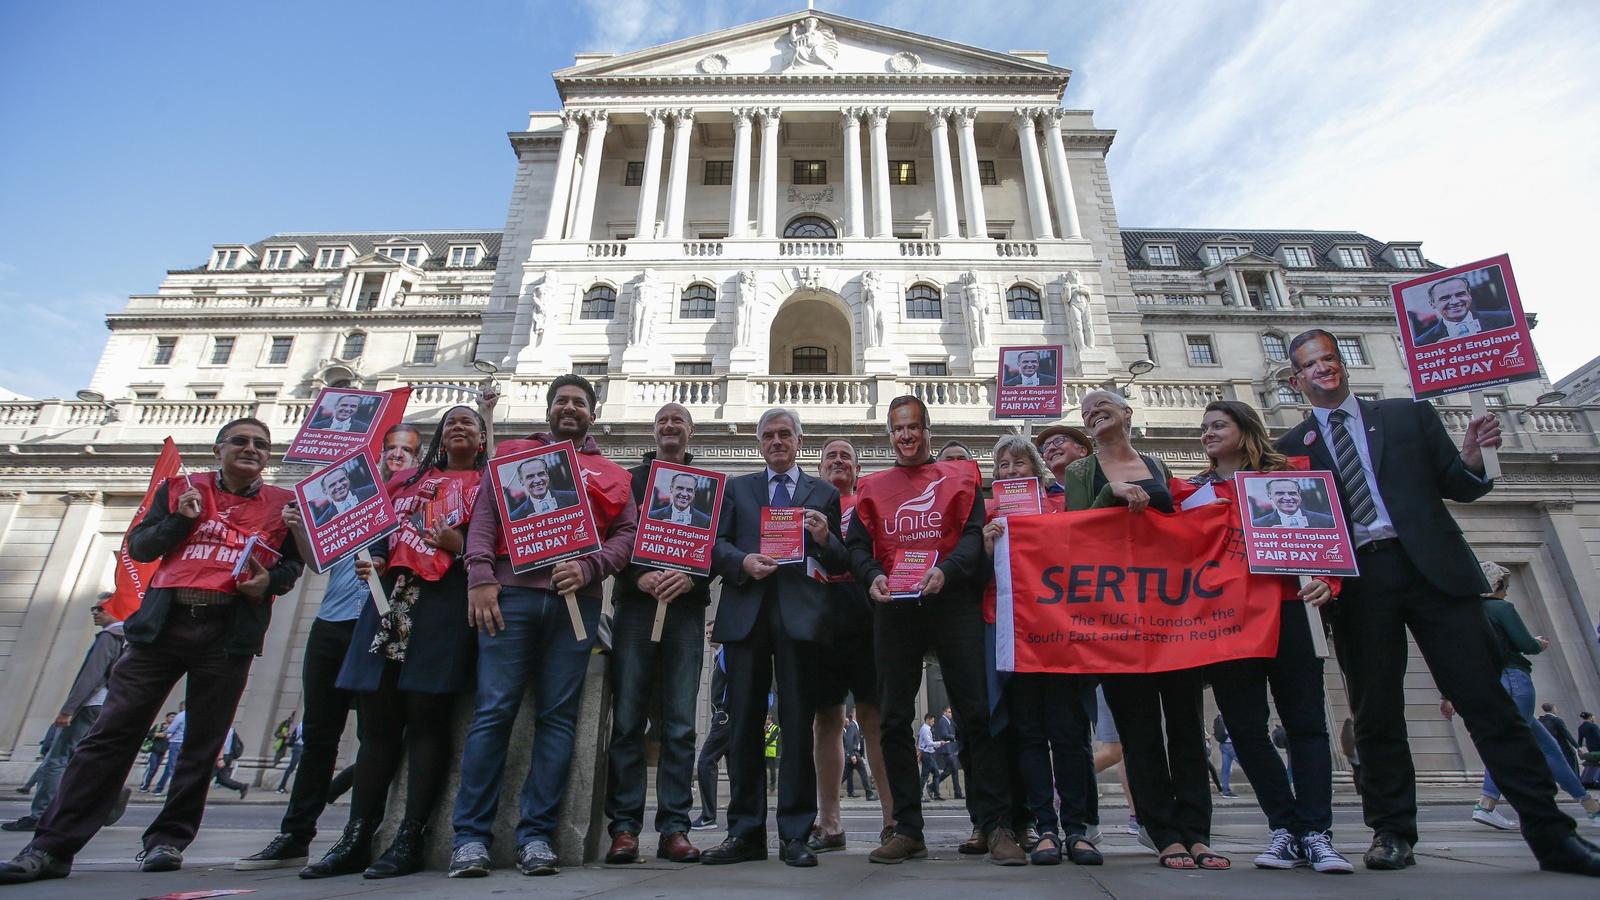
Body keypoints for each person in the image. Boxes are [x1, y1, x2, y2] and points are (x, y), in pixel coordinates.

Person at [1275, 328, 1598, 875]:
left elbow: (1460, 484)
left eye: (1330, 359)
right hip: (1359, 582)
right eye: (1311, 364)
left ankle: (1550, 832)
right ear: (1295, 378)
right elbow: (1292, 526)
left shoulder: (1407, 416)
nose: (1324, 369)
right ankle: (1391, 832)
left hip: (1433, 570)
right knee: (1376, 713)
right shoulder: (1289, 451)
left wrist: (1473, 454)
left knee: (1487, 703)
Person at [0, 417, 303, 884]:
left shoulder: (284, 506)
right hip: (162, 629)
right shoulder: (181, 489)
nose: (251, 449)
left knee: (202, 744)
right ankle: (52, 845)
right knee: (110, 735)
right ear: (218, 449)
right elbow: (141, 547)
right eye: (240, 441)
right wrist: (180, 518)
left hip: (227, 633)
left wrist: (269, 581)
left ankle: (167, 841)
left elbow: (290, 570)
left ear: (269, 456)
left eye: (261, 445)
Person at [233, 398, 449, 873]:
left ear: (421, 459)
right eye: (390, 448)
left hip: (380, 622)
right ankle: (295, 834)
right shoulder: (356, 497)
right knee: (319, 733)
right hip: (334, 622)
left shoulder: (418, 500)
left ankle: (363, 831)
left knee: (381, 732)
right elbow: (317, 561)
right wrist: (300, 529)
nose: (396, 455)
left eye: (407, 450)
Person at [450, 374, 636, 879]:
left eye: (578, 402)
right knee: (493, 712)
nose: (569, 408)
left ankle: (536, 835)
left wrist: (592, 566)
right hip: (510, 598)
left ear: (592, 415)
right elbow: (485, 516)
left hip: (577, 604)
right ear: (549, 408)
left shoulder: (612, 474)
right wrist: (481, 577)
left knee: (558, 720)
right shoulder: (511, 455)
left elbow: (627, 535)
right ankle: (469, 838)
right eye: (561, 401)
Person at [301, 403, 491, 880]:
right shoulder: (403, 485)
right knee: (377, 727)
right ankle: (357, 835)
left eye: (470, 422)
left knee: (427, 721)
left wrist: (459, 544)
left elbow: (502, 546)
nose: (459, 427)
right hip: (388, 604)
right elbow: (380, 535)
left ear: (485, 439)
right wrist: (378, 561)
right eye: (451, 422)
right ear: (439, 438)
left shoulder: (490, 487)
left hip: (444, 606)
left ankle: (410, 836)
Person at [848, 395, 1022, 866]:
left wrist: (947, 570)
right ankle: (907, 828)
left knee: (976, 712)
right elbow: (858, 547)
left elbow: (973, 535)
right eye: (897, 428)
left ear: (928, 430)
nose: (906, 435)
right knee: (892, 719)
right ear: (890, 434)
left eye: (914, 427)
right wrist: (872, 577)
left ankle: (995, 824)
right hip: (895, 610)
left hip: (952, 601)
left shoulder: (962, 475)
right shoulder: (871, 486)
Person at [1180, 399, 1351, 873]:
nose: (1208, 434)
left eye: (1219, 425)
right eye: (1204, 428)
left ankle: (1317, 832)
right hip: (1229, 619)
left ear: (1245, 428)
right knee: (1245, 726)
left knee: (1306, 725)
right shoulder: (1192, 491)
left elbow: (1326, 536)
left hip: (1292, 609)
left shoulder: (1295, 475)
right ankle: (1286, 826)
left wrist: (1329, 581)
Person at [1060, 389, 1225, 871]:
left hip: (1169, 615)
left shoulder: (1158, 467)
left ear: (1127, 413)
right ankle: (1162, 831)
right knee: (1139, 729)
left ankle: (1196, 831)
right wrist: (1109, 495)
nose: (1093, 413)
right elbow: (1074, 533)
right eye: (1086, 411)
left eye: (1102, 405)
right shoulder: (1080, 472)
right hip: (1116, 616)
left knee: (1186, 727)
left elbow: (1180, 529)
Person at [701, 408, 848, 869]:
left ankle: (795, 834)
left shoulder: (823, 493)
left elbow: (843, 560)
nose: (777, 441)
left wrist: (824, 538)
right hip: (747, 614)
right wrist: (742, 561)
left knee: (797, 725)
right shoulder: (737, 489)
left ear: (799, 442)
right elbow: (715, 545)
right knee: (743, 724)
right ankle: (744, 832)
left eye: (786, 434)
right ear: (759, 443)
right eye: (769, 435)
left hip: (800, 620)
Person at [980, 434, 1098, 866]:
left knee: (1068, 735)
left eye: (1018, 463)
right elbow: (978, 576)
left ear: (1035, 467)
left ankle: (1079, 828)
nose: (1011, 472)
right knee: (1028, 734)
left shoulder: (1063, 503)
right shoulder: (991, 512)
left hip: (1059, 630)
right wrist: (988, 547)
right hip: (1012, 631)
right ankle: (1045, 827)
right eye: (1003, 466)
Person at [604, 403, 711, 866]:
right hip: (634, 610)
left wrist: (693, 578)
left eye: (679, 422)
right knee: (627, 719)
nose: (671, 427)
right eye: (664, 421)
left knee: (680, 725)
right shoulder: (628, 481)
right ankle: (624, 827)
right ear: (655, 430)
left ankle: (674, 828)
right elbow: (610, 539)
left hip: (685, 613)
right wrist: (635, 577)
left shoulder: (708, 488)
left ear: (689, 432)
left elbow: (717, 550)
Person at [1459, 561, 1600, 831]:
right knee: (1508, 743)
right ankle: (1486, 803)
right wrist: (1538, 643)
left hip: (1493, 682)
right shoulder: (1502, 608)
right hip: (1515, 679)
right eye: (1506, 585)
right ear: (1497, 584)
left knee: (1548, 746)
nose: (1508, 591)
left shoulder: (1469, 613)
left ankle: (1588, 803)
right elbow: (1525, 644)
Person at [809, 438, 893, 852]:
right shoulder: (806, 508)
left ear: (858, 470)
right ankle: (829, 823)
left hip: (867, 619)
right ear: (819, 469)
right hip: (823, 621)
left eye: (847, 457)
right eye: (831, 457)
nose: (839, 462)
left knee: (875, 717)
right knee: (826, 719)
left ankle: (894, 820)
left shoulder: (870, 504)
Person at [2, 595, 128, 833]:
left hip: (90, 704)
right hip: (108, 705)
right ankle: (107, 795)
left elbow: (90, 677)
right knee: (84, 757)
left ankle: (41, 815)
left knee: (56, 759)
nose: (94, 612)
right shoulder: (129, 638)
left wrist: (68, 709)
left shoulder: (109, 637)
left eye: (100, 608)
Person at [692, 619, 731, 831]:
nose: (708, 635)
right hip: (727, 718)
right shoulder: (719, 656)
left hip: (725, 719)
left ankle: (708, 816)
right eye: (706, 632)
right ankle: (737, 817)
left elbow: (733, 684)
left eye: (711, 631)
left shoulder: (726, 655)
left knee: (706, 762)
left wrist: (724, 712)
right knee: (734, 769)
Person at [1413, 275, 1516, 345]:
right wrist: (1438, 353)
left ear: (1469, 294)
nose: (1454, 301)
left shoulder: (1506, 319)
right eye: (1445, 298)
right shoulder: (1422, 342)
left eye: (1460, 294)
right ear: (1432, 304)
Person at [504, 456, 578, 520]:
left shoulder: (573, 497)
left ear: (547, 474)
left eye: (541, 474)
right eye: (530, 477)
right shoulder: (515, 517)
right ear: (521, 481)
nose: (537, 480)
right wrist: (527, 526)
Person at [1251, 478, 1335, 528]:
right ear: (1269, 495)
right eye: (1280, 493)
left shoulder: (1326, 521)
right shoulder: (1258, 524)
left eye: (1292, 493)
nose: (1287, 498)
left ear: (1299, 494)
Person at [1036, 425, 1094, 497]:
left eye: (1059, 440)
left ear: (1082, 451)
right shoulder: (1042, 499)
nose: (1051, 448)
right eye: (1045, 447)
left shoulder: (1104, 486)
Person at [647, 470, 713, 529]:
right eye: (680, 488)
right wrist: (658, 529)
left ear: (694, 493)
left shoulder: (706, 521)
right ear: (671, 489)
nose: (684, 494)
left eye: (689, 490)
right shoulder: (653, 516)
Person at [152, 706, 186, 795]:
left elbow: (172, 728)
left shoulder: (181, 715)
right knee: (174, 766)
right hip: (186, 742)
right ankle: (159, 788)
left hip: (176, 742)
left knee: (172, 766)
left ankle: (175, 790)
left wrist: (164, 733)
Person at [841, 710, 874, 801]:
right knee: (863, 773)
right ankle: (869, 794)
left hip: (854, 755)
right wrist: (852, 754)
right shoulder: (852, 726)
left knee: (844, 775)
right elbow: (849, 741)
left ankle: (831, 792)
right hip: (854, 754)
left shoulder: (856, 726)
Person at [1542, 703, 1583, 777]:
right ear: (1553, 709)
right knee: (1572, 763)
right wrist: (1577, 746)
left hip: (1549, 747)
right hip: (1563, 745)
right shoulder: (1557, 720)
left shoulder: (1541, 720)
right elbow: (1566, 734)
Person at [139, 712, 176, 793]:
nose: (172, 719)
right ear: (167, 718)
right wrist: (157, 734)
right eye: (171, 717)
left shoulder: (173, 729)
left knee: (155, 769)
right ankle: (143, 786)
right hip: (153, 750)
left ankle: (146, 785)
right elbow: (148, 735)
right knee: (151, 768)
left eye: (174, 717)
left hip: (162, 752)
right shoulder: (159, 726)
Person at [212, 727, 248, 799]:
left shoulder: (222, 728)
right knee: (223, 779)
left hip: (220, 756)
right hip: (227, 756)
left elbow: (221, 744)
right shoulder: (231, 729)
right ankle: (242, 787)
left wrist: (220, 759)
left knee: (207, 776)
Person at [917, 714, 945, 801]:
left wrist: (936, 745)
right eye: (932, 721)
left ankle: (936, 794)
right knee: (925, 776)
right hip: (927, 754)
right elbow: (929, 743)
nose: (933, 723)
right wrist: (939, 743)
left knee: (936, 774)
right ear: (928, 720)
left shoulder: (925, 729)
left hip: (929, 754)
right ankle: (920, 795)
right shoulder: (925, 729)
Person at [1212, 714, 1237, 799]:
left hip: (1223, 745)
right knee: (1247, 765)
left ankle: (1225, 791)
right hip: (1231, 745)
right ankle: (1262, 786)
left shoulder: (1219, 717)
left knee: (1225, 769)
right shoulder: (1230, 715)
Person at [276, 720, 303, 794]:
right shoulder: (303, 725)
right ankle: (281, 787)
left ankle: (281, 787)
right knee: (291, 768)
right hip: (300, 747)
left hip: (298, 747)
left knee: (292, 768)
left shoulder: (300, 724)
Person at [1580, 713, 1600, 789]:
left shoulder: (1581, 727)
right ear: (1590, 717)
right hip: (1598, 748)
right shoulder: (1594, 726)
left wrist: (1579, 749)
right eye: (1593, 717)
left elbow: (1580, 740)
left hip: (1590, 748)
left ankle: (1588, 780)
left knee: (1593, 762)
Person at [764, 716, 783, 792]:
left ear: (770, 720)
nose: (766, 720)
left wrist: (763, 744)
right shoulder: (765, 727)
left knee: (772, 770)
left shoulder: (775, 728)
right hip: (764, 752)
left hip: (771, 752)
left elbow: (772, 738)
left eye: (767, 719)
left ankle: (772, 784)